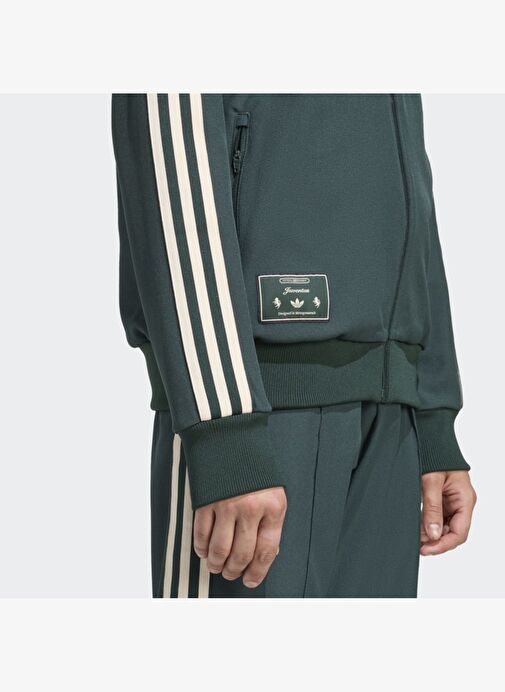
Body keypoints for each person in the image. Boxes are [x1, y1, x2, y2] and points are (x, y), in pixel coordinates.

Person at [112, 94, 477, 598]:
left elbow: (406, 165)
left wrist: (432, 411)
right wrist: (224, 426)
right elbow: (170, 135)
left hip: (391, 416)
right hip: (258, 412)